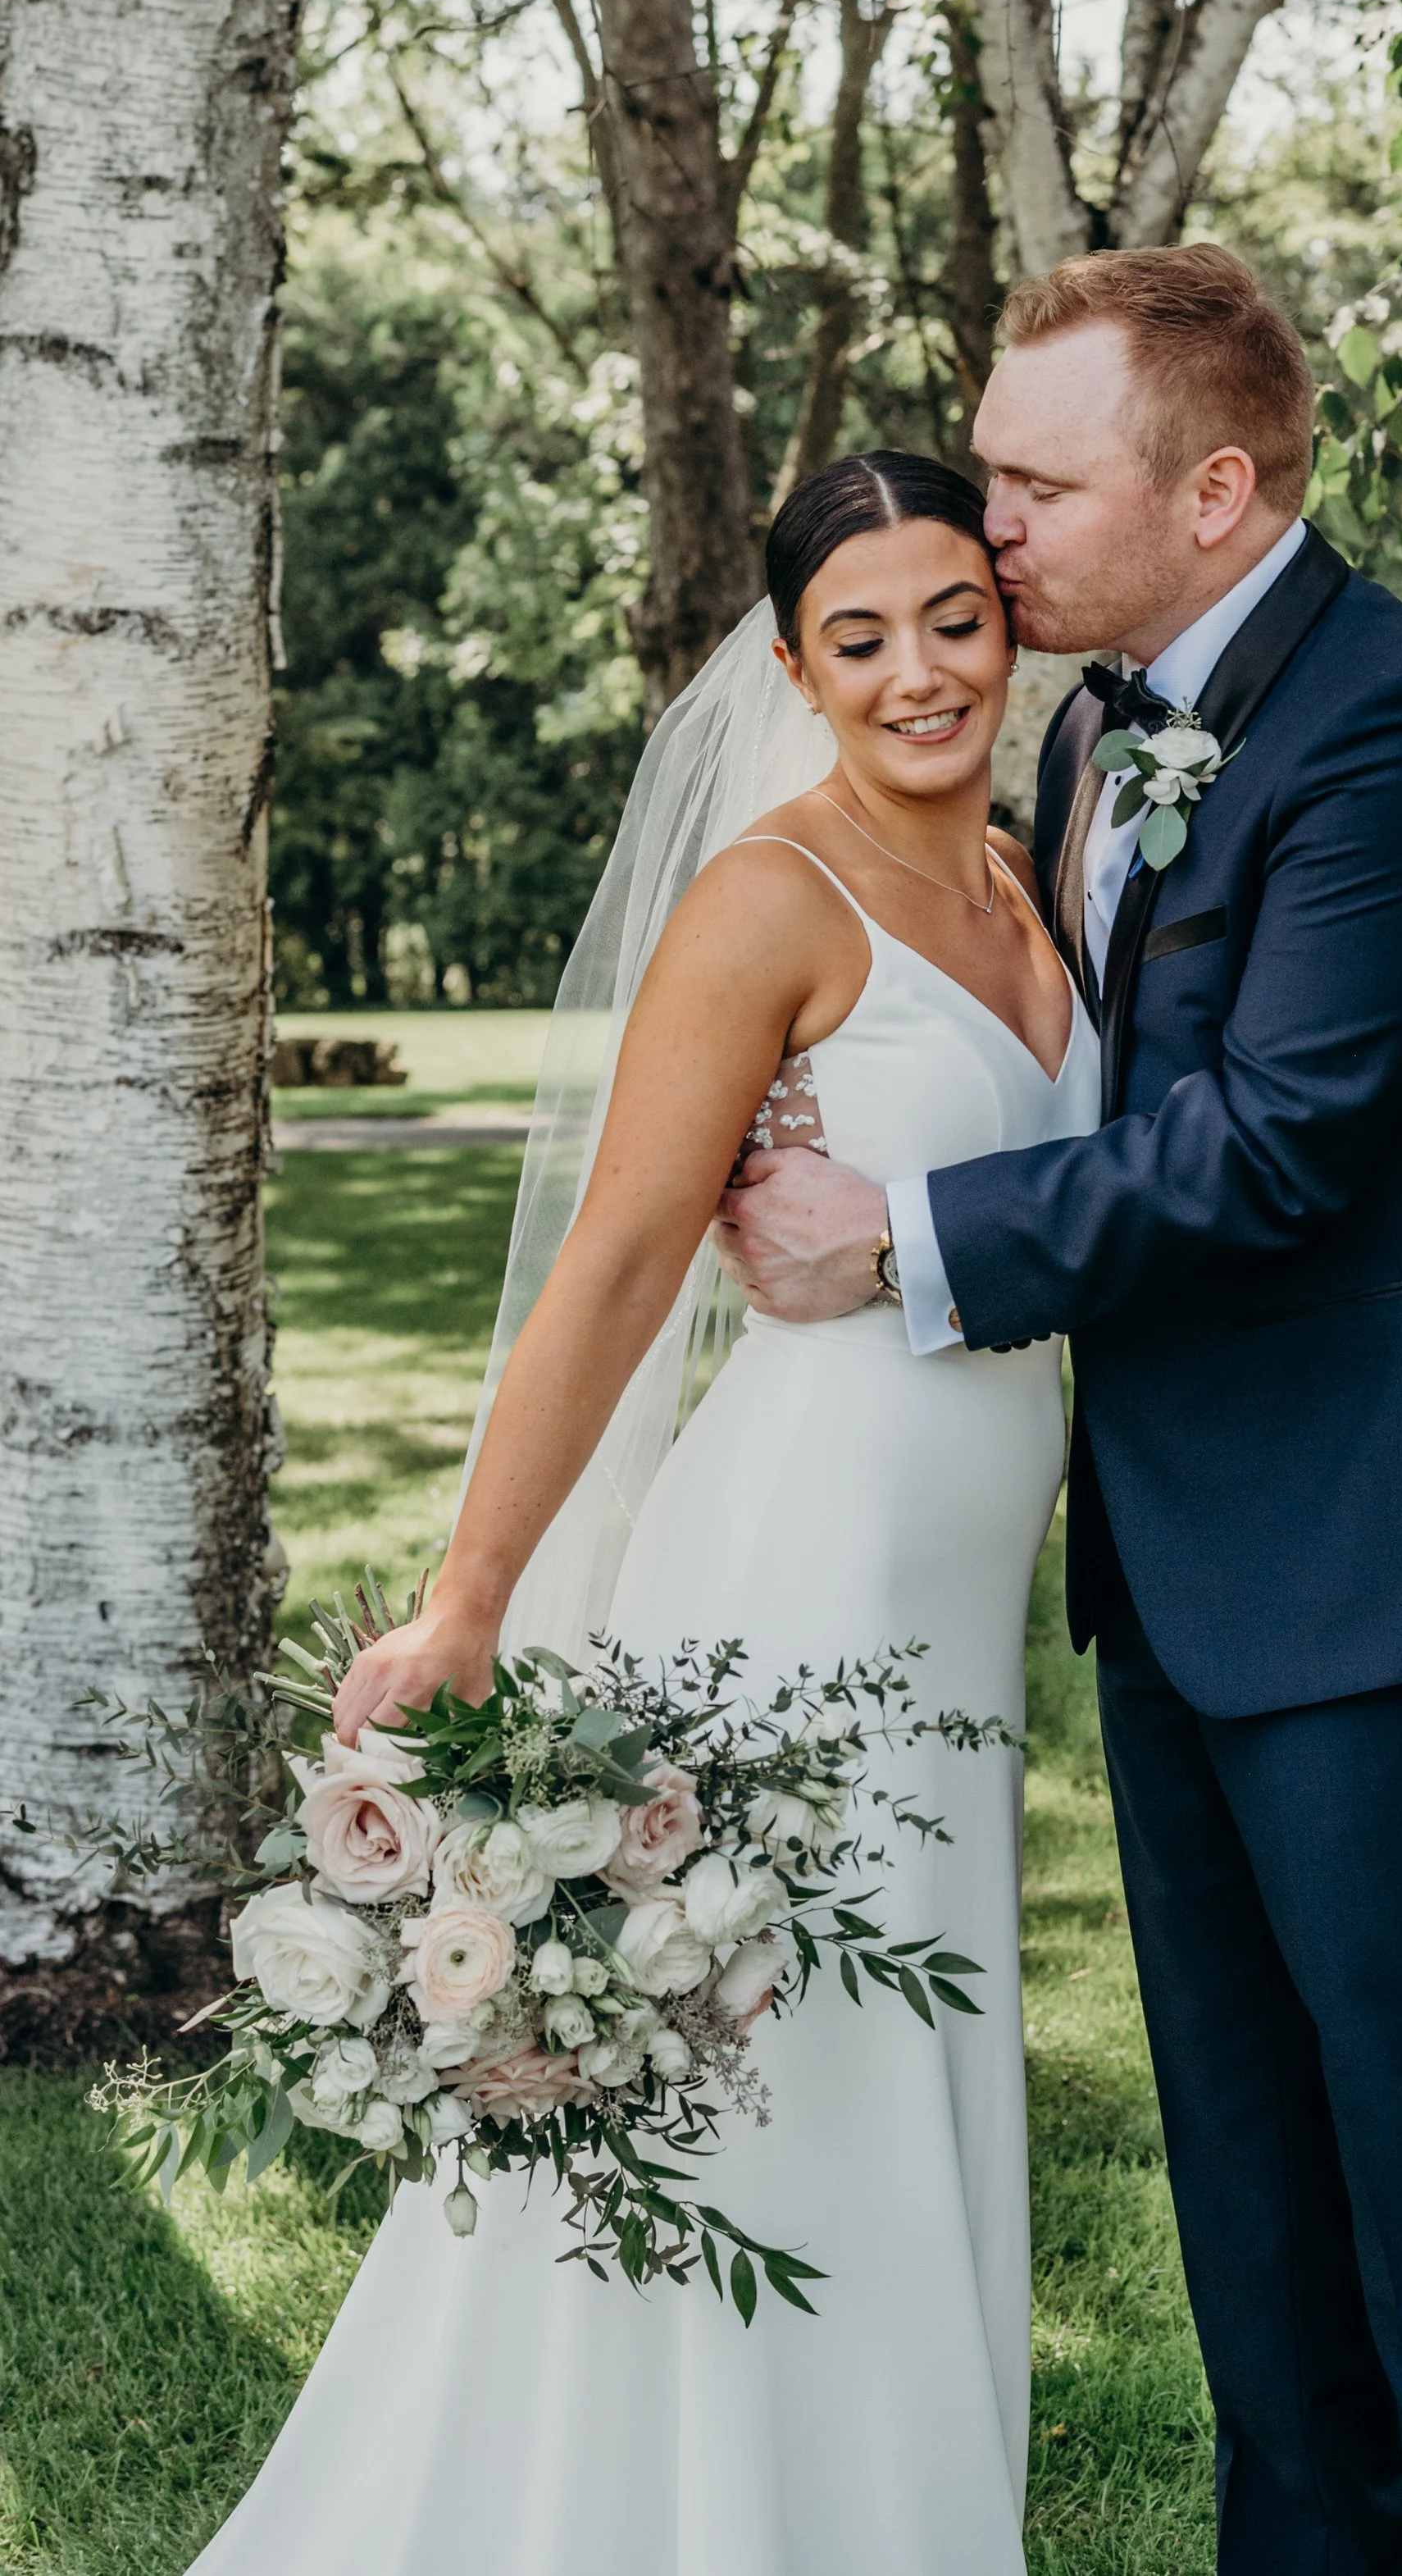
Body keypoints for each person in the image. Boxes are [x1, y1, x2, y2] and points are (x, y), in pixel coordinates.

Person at [717, 244, 1402, 2576]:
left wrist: (903, 1242)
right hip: (1175, 1562)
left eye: (1035, 483)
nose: (988, 522)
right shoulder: (1087, 728)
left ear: (1217, 488)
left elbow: (1276, 1142)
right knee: (1251, 2185)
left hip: (1385, 1550)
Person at [185, 452, 1097, 2576]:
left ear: (1011, 620)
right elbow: (614, 1262)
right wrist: (471, 1592)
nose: (917, 670)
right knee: (760, 2079)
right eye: (855, 637)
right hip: (792, 1574)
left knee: (895, 2067)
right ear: (792, 668)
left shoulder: (1040, 876)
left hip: (952, 1618)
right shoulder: (772, 903)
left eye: (952, 613)